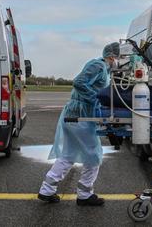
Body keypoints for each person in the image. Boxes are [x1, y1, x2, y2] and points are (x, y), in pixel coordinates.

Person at [38, 42, 120, 207]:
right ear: (112, 57)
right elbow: (79, 82)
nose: (119, 61)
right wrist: (96, 99)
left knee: (68, 154)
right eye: (119, 58)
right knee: (94, 155)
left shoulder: (104, 69)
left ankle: (46, 190)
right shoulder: (98, 65)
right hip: (80, 117)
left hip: (74, 116)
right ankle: (84, 194)